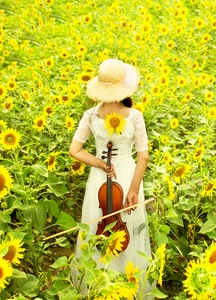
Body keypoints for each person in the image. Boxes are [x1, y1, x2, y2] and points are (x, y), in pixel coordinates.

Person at [69, 58, 153, 296]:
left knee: (98, 226)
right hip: (127, 176)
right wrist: (134, 190)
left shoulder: (90, 115)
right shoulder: (134, 116)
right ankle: (128, 286)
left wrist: (99, 162)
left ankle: (96, 287)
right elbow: (143, 157)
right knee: (129, 228)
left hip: (99, 180)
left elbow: (74, 150)